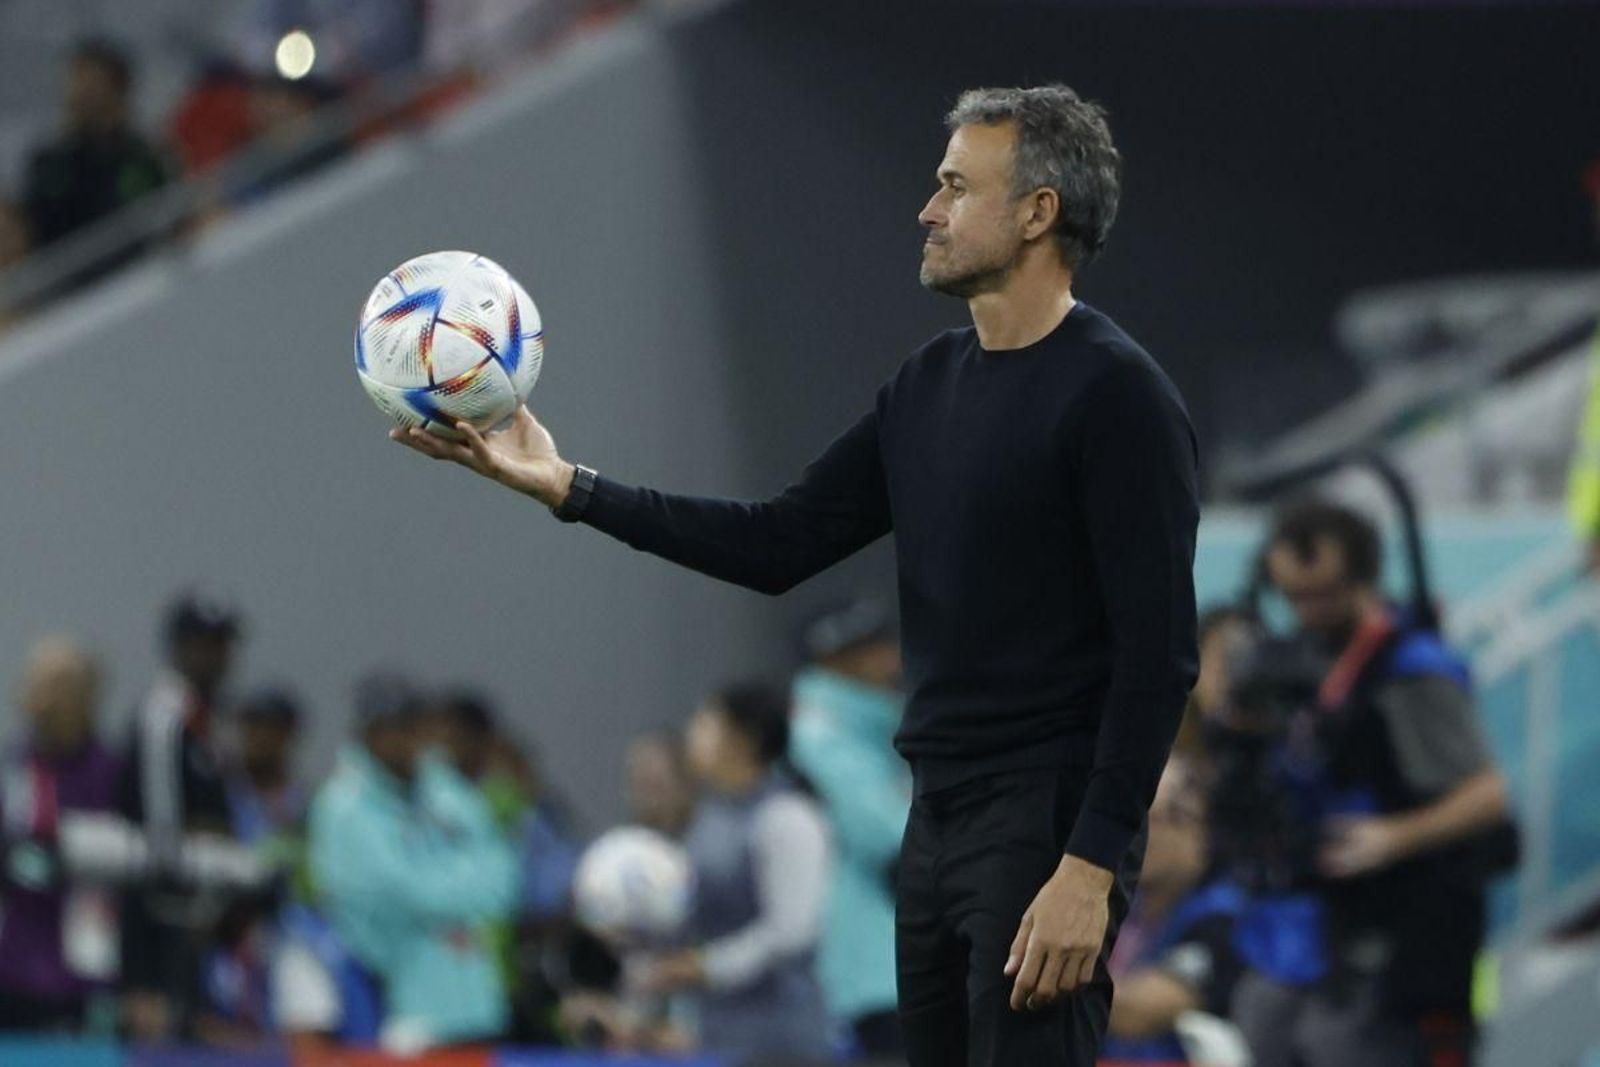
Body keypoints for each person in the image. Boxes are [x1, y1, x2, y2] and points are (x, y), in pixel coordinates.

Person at [392, 82, 1200, 1065]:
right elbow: (776, 543)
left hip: (1046, 822)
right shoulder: (924, 385)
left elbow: (1158, 655)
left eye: (954, 185)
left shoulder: (1118, 396)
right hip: (936, 815)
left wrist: (1089, 865)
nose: (927, 208)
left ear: (1038, 211)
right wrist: (568, 486)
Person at [1229, 499, 1514, 1067]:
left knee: (1341, 1043)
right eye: (1294, 597)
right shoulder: (1315, 665)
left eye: (1323, 594)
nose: (1307, 612)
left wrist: (1394, 837)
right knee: (1266, 1018)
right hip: (1337, 920)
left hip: (1411, 929)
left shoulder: (1412, 669)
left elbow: (1488, 794)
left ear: (1359, 578)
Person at [308, 672, 517, 1051]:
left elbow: (501, 882)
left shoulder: (445, 787)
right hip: (390, 1004)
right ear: (369, 732)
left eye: (413, 725)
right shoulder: (342, 804)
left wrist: (433, 881)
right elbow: (400, 892)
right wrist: (459, 877)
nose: (407, 738)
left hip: (474, 1004)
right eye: (394, 727)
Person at [641, 682, 832, 1065]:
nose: (692, 731)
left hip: (781, 1040)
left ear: (743, 739)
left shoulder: (788, 816)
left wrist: (708, 966)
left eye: (705, 721)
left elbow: (792, 931)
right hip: (717, 1034)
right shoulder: (707, 819)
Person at [117, 592, 244, 1042]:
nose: (215, 656)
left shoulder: (212, 722)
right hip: (168, 922)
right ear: (177, 646)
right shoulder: (164, 718)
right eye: (202, 643)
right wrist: (149, 968)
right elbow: (161, 834)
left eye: (222, 644)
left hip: (207, 917)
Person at [787, 599, 909, 1057]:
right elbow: (892, 834)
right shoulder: (818, 736)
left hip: (880, 964)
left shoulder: (867, 731)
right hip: (864, 965)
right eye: (871, 649)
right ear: (835, 661)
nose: (889, 660)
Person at [0, 637, 122, 1032]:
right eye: (38, 684)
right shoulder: (11, 770)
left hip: (90, 977)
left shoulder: (113, 775)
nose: (46, 700)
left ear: (88, 697)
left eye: (60, 686)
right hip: (12, 972)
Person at [1102, 756, 1246, 1062]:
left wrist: (1051, 976)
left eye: (1161, 817)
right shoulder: (1125, 902)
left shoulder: (1221, 915)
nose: (1139, 833)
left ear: (1202, 833)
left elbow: (1140, 1014)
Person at [21, 39, 168, 265]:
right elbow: (31, 238)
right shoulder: (49, 165)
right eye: (74, 81)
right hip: (76, 292)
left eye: (89, 81)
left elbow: (168, 215)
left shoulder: (146, 158)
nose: (78, 92)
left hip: (143, 276)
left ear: (116, 87)